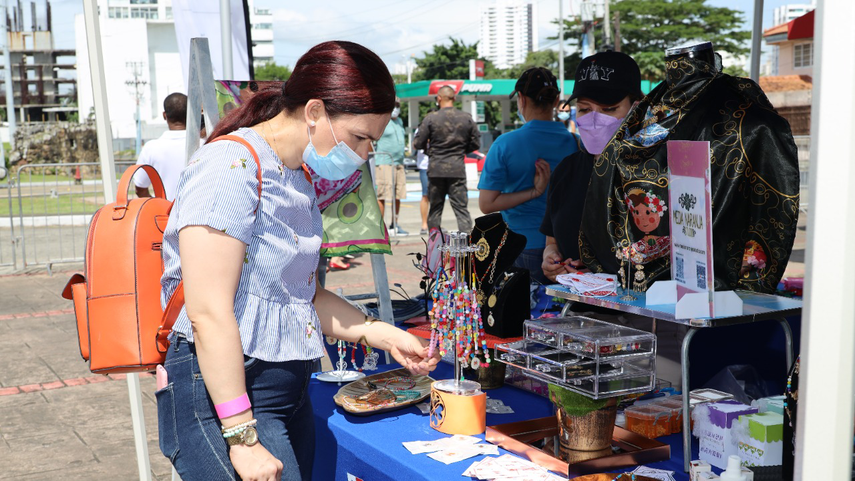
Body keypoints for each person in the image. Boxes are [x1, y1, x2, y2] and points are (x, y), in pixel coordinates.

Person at [157, 41, 438, 481]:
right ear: (314, 112)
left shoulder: (296, 177)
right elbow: (209, 311)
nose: (364, 154)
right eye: (359, 138)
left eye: (372, 142)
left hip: (280, 391)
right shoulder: (230, 166)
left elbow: (298, 294)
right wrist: (242, 437)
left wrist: (378, 333)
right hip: (226, 395)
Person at [540, 51, 643, 283]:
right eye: (585, 109)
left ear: (635, 109)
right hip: (577, 312)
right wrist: (550, 258)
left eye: (609, 109)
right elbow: (552, 240)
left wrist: (606, 277)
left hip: (640, 314)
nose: (595, 119)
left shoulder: (656, 174)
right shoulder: (567, 171)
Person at [478, 67, 580, 285]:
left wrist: (534, 192)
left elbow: (487, 204)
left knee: (524, 315)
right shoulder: (576, 142)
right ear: (556, 101)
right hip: (567, 251)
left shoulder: (505, 144)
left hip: (521, 245)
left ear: (521, 99)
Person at [413, 85, 480, 233]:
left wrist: (431, 150)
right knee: (461, 210)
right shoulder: (466, 118)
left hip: (436, 169)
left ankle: (433, 247)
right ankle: (466, 248)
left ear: (439, 98)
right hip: (457, 169)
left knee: (435, 209)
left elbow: (417, 143)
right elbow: (475, 143)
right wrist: (461, 150)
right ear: (454, 98)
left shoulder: (431, 118)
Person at [134, 92, 189, 201]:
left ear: (165, 115)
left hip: (165, 216)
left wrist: (159, 207)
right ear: (190, 113)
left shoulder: (150, 148)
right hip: (198, 214)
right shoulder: (205, 144)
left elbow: (140, 188)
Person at [374, 98, 408, 235]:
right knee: (382, 194)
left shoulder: (399, 121)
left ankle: (395, 224)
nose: (396, 108)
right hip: (384, 161)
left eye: (398, 105)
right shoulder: (381, 120)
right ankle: (379, 227)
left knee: (398, 194)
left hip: (399, 162)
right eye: (394, 105)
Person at [414, 127, 430, 235]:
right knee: (425, 195)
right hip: (425, 167)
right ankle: (424, 224)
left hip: (438, 166)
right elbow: (415, 145)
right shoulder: (420, 129)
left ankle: (435, 223)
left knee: (437, 197)